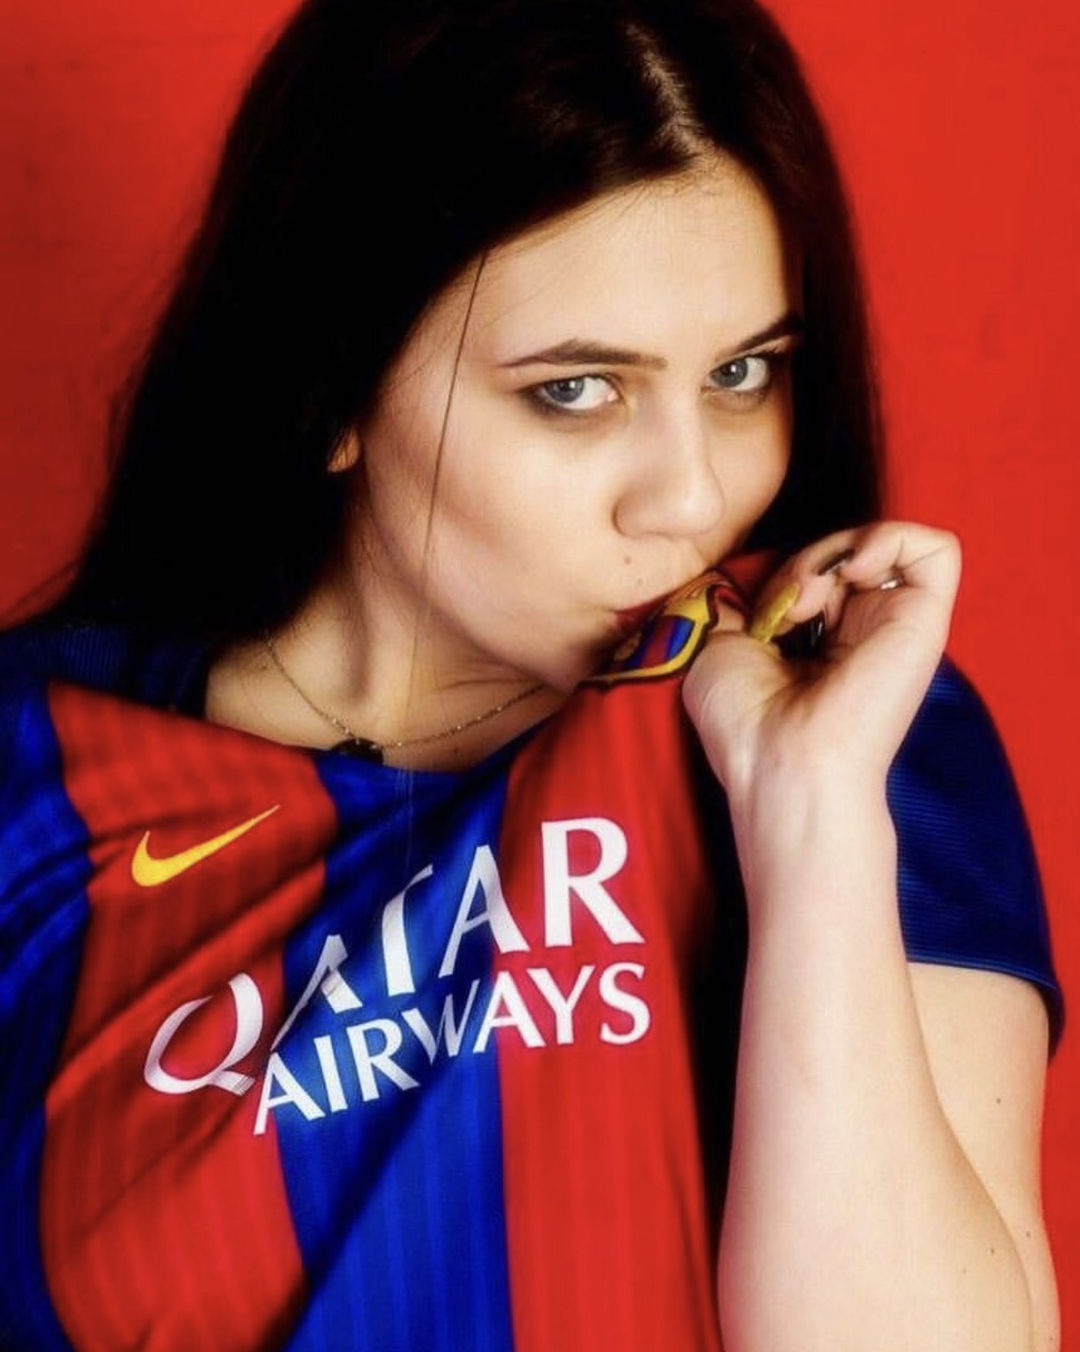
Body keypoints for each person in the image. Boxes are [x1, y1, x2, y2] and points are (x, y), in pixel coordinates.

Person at [0, 0, 1062, 1348]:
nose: (693, 498)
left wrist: (810, 815)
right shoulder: (37, 777)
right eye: (576, 389)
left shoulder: (850, 719)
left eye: (744, 372)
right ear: (331, 384)